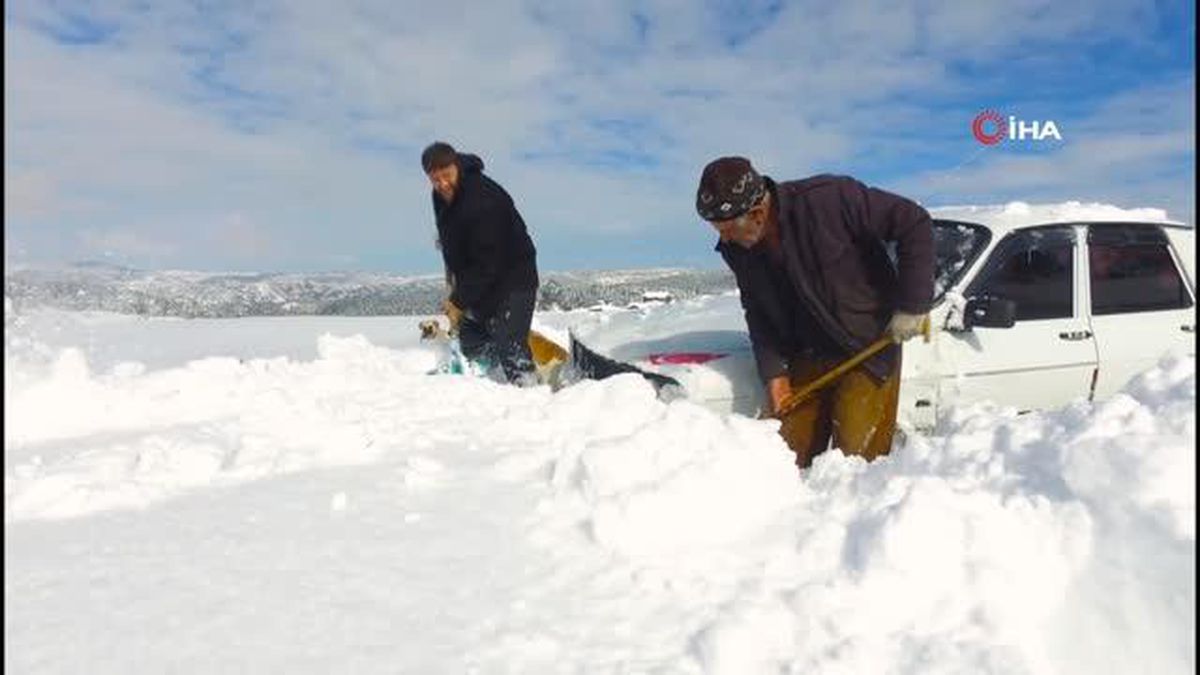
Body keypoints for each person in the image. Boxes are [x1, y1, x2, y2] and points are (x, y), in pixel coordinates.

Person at [694, 156, 934, 468]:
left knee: (854, 461)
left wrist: (913, 304)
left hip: (866, 348)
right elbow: (757, 310)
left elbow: (913, 222)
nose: (724, 239)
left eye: (728, 229)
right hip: (806, 355)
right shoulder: (738, 250)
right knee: (782, 457)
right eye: (717, 229)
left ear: (757, 213)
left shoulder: (829, 200)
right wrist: (775, 374)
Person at [422, 141, 540, 385]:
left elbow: (489, 260)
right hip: (482, 283)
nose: (442, 184)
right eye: (435, 179)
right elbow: (454, 231)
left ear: (457, 167)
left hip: (513, 278)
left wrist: (458, 301)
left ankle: (529, 390)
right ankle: (491, 382)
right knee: (472, 341)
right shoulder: (441, 195)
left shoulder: (482, 198)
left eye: (446, 175)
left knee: (510, 346)